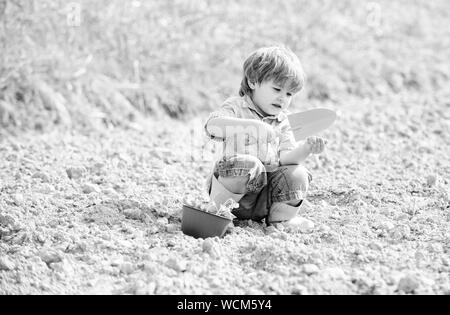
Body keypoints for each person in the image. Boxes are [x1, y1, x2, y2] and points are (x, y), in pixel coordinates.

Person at [203, 46, 326, 225]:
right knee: (248, 164)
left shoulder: (282, 122)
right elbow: (212, 126)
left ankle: (280, 219)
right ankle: (218, 213)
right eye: (277, 89)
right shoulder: (237, 107)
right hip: (233, 192)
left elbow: (286, 159)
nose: (283, 98)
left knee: (297, 173)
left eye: (289, 93)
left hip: (264, 200)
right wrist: (250, 126)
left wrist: (306, 149)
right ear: (253, 82)